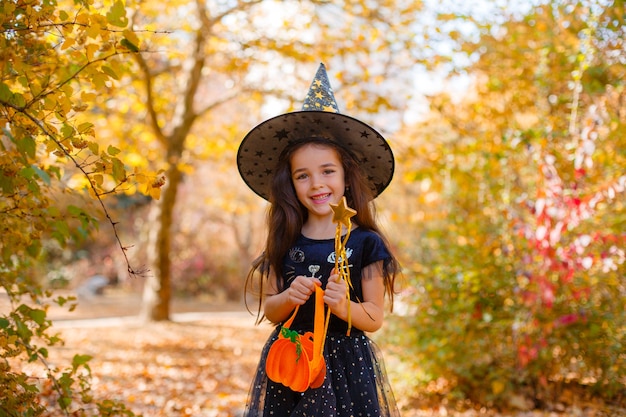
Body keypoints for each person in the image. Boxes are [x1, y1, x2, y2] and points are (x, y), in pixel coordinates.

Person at [237, 63, 401, 417]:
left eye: (327, 171)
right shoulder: (285, 241)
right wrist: (287, 296)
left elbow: (374, 317)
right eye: (303, 176)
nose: (316, 185)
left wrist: (343, 307)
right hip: (292, 357)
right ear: (290, 185)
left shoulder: (365, 242)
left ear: (345, 176)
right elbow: (271, 310)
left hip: (347, 367)